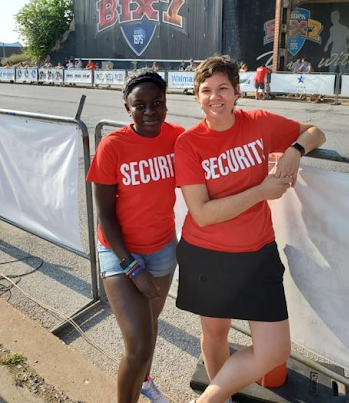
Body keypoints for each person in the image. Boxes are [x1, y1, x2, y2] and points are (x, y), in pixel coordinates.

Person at [174, 56, 325, 403]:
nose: (215, 97)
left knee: (274, 350)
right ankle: (221, 399)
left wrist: (295, 150)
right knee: (215, 334)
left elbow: (316, 131)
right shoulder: (189, 143)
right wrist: (261, 192)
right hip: (206, 253)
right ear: (197, 96)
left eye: (223, 88)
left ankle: (207, 400)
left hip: (257, 252)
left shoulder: (259, 122)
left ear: (237, 92)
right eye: (206, 90)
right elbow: (203, 214)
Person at [87, 70, 184, 403]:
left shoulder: (177, 138)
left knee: (150, 322)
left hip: (162, 249)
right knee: (139, 345)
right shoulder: (113, 146)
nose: (149, 112)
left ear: (166, 104)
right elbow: (105, 214)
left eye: (157, 104)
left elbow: (215, 156)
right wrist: (131, 267)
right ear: (127, 107)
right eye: (139, 105)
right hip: (119, 251)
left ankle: (144, 381)